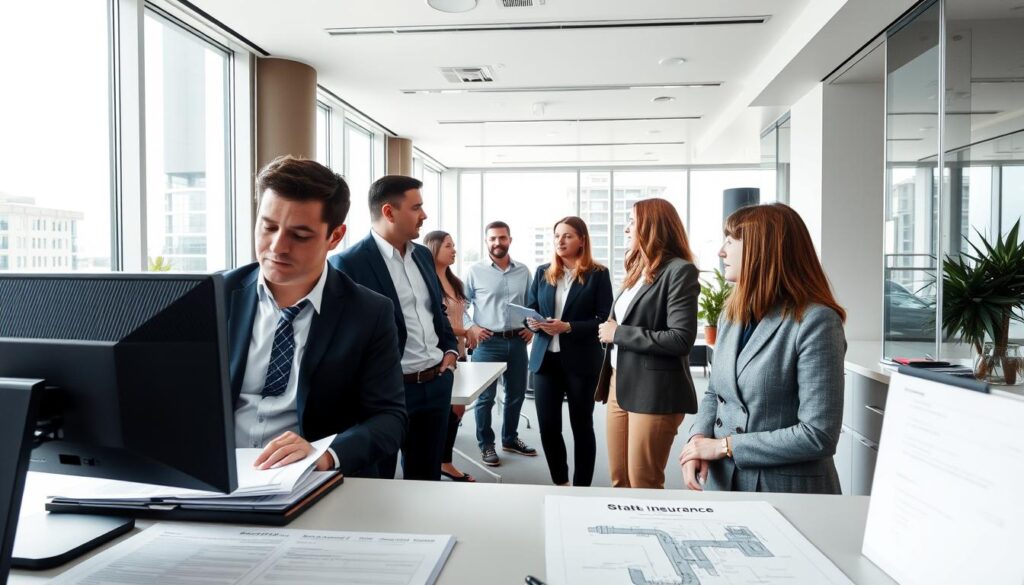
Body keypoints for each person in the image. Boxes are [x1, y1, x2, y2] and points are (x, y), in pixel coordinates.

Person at [226, 155, 405, 478]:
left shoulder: (369, 312)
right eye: (268, 227)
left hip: (313, 481)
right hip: (218, 482)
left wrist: (322, 455)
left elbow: (389, 418)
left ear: (334, 237)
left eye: (300, 235)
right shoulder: (215, 296)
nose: (277, 247)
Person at [680, 203, 847, 494]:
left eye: (731, 242)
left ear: (762, 250)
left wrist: (724, 447)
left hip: (784, 491)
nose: (721, 251)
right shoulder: (731, 314)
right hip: (725, 485)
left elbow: (818, 434)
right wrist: (696, 442)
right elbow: (715, 394)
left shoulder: (816, 321)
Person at [331, 175, 458, 481]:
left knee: (427, 480)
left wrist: (450, 350)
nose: (424, 215)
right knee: (379, 481)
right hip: (385, 394)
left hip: (434, 383)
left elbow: (436, 311)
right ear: (389, 212)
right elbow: (344, 338)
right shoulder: (348, 264)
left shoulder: (424, 256)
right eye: (417, 207)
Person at [596, 198, 700, 489]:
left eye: (632, 222)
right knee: (620, 479)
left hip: (654, 389)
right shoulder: (637, 270)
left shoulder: (680, 271)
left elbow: (680, 339)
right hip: (620, 382)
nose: (626, 229)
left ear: (652, 227)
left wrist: (620, 334)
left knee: (644, 482)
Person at [525, 217, 612, 486]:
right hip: (545, 360)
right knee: (549, 427)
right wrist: (532, 322)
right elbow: (530, 309)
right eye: (557, 236)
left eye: (568, 236)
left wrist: (569, 327)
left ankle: (582, 486)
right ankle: (561, 482)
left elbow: (605, 319)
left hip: (581, 361)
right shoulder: (542, 272)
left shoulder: (598, 274)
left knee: (581, 426)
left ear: (582, 240)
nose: (560, 241)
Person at [463, 221, 537, 466]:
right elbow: (462, 305)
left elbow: (532, 305)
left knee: (516, 395)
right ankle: (486, 445)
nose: (497, 242)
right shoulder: (474, 271)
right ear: (486, 241)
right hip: (487, 343)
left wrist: (530, 329)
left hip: (517, 342)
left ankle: (510, 438)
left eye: (502, 238)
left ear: (510, 240)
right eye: (492, 238)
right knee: (485, 398)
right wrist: (471, 327)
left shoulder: (524, 271)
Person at [423, 229, 476, 482]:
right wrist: (466, 331)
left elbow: (461, 313)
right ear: (434, 248)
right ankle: (440, 462)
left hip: (460, 351)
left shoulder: (455, 281)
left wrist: (470, 329)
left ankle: (444, 461)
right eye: (448, 246)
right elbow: (436, 323)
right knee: (442, 410)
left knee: (458, 409)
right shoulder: (427, 280)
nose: (454, 250)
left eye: (454, 245)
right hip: (441, 352)